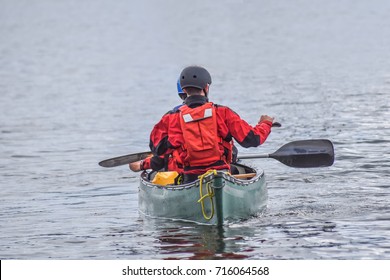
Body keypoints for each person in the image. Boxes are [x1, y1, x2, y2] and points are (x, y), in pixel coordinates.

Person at [149, 66, 275, 183]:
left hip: (190, 178)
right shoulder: (223, 113)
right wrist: (265, 123)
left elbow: (156, 148)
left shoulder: (171, 118)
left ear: (183, 90)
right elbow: (252, 139)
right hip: (222, 176)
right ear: (206, 87)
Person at [129, 79, 186, 173]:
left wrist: (143, 164)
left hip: (184, 170)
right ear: (206, 88)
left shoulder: (171, 116)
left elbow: (160, 154)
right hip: (213, 169)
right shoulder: (216, 112)